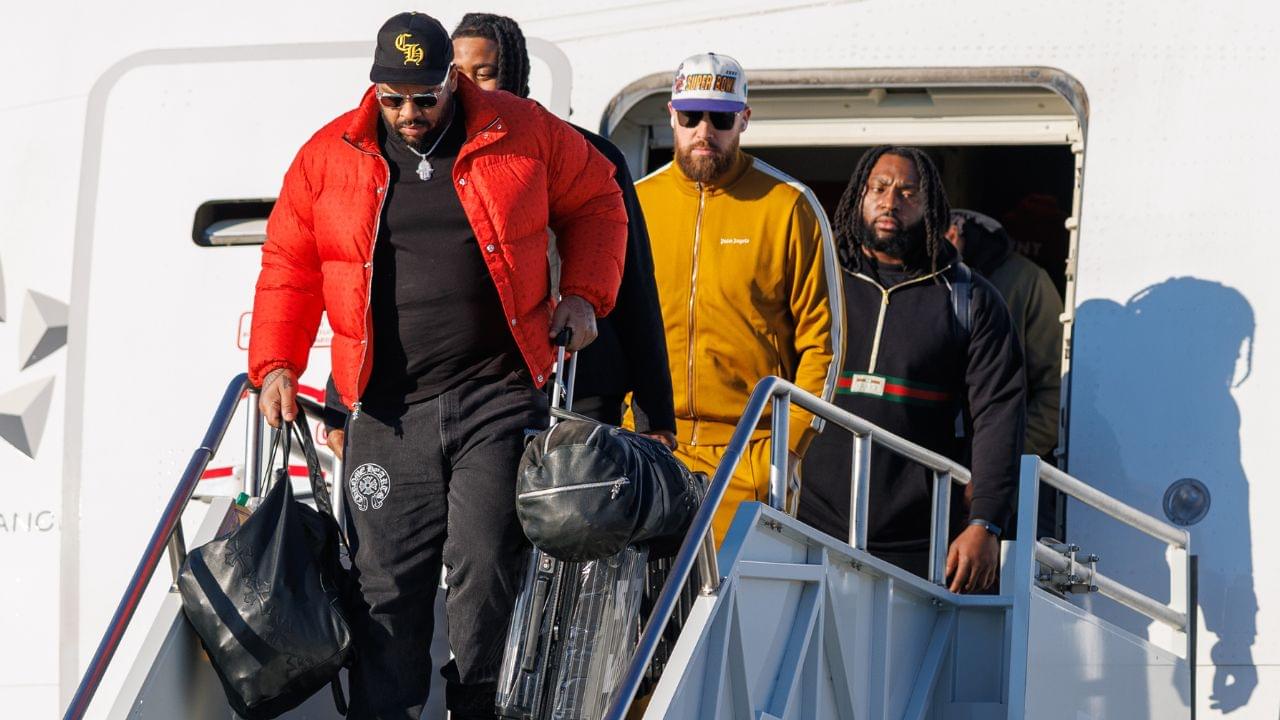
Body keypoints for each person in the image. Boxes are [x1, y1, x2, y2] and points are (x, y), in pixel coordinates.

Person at [247, 12, 626, 719]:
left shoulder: (520, 130)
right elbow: (289, 267)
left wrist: (583, 294)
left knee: (484, 571)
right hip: (387, 413)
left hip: (497, 395)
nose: (410, 114)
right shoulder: (328, 156)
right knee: (383, 589)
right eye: (393, 99)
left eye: (425, 97)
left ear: (452, 79)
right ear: (375, 89)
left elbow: (599, 199)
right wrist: (274, 365)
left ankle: (480, 710)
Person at [797, 146, 1025, 594]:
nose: (890, 201)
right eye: (878, 188)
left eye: (908, 192)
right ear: (858, 196)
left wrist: (986, 522)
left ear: (932, 206)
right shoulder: (818, 280)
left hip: (921, 539)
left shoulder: (970, 299)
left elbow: (998, 415)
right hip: (807, 520)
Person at [636, 52, 841, 543]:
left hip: (749, 454)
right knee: (633, 612)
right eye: (691, 117)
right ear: (672, 116)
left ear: (743, 119)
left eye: (721, 118)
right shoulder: (637, 201)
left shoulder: (789, 204)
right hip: (646, 444)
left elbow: (823, 345)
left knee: (736, 615)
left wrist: (787, 448)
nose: (704, 130)